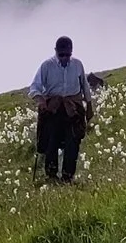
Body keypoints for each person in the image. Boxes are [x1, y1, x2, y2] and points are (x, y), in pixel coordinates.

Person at [29, 35, 91, 183]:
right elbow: (34, 88)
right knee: (52, 141)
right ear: (56, 51)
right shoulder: (46, 66)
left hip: (73, 109)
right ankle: (51, 176)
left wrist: (89, 105)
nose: (64, 58)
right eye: (61, 54)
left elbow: (84, 85)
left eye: (67, 55)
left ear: (71, 52)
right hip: (54, 109)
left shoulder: (77, 65)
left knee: (73, 141)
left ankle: (67, 176)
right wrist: (42, 101)